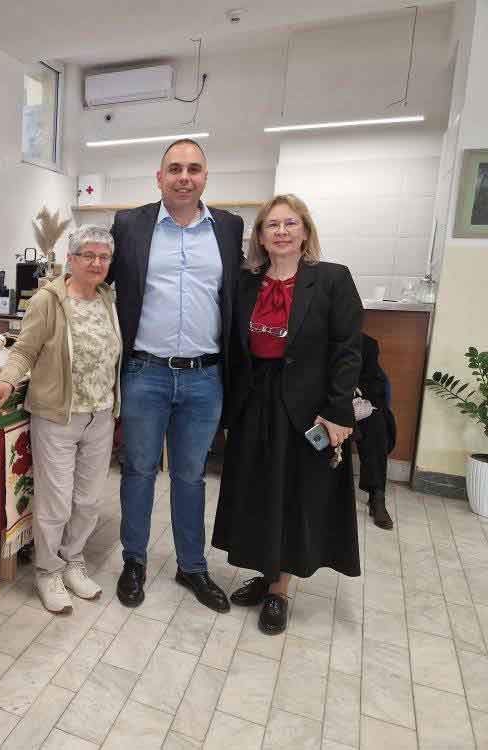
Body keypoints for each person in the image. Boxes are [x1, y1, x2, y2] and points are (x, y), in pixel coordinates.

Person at [212, 194, 363, 634]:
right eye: (271, 225)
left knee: (293, 494)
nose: (281, 231)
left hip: (305, 407)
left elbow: (348, 350)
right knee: (258, 491)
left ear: (305, 231)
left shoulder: (332, 279)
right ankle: (265, 572)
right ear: (260, 236)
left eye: (290, 223)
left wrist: (338, 412)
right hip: (254, 400)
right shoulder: (246, 282)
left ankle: (279, 590)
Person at [107, 139, 244, 613]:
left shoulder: (228, 227)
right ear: (159, 177)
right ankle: (134, 561)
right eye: (175, 169)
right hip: (145, 372)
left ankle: (192, 566)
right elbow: (100, 282)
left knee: (191, 476)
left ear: (205, 176)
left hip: (205, 377)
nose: (184, 177)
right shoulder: (130, 224)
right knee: (138, 470)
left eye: (194, 169)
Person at [0, 225, 122, 613]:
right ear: (70, 259)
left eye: (104, 257)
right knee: (55, 501)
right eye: (88, 255)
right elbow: (24, 350)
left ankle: (73, 560)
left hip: (100, 413)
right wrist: (7, 380)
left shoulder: (108, 298)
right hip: (57, 416)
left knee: (88, 500)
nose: (96, 263)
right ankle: (48, 570)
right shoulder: (48, 300)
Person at [355, 333, 397, 530]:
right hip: (324, 401)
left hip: (358, 399)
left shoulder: (366, 344)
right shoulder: (313, 337)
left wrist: (353, 394)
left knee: (377, 425)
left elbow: (374, 383)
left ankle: (377, 497)